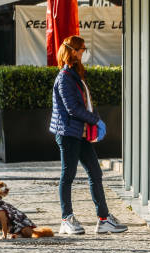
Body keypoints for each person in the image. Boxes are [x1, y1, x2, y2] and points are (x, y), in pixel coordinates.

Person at [49, 35, 128, 234]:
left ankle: (103, 219)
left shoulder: (76, 75)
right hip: (68, 133)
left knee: (95, 172)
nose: (85, 52)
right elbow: (73, 108)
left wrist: (96, 119)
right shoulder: (65, 77)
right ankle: (66, 219)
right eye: (82, 49)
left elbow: (88, 103)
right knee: (68, 175)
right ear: (73, 51)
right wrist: (96, 121)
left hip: (80, 133)